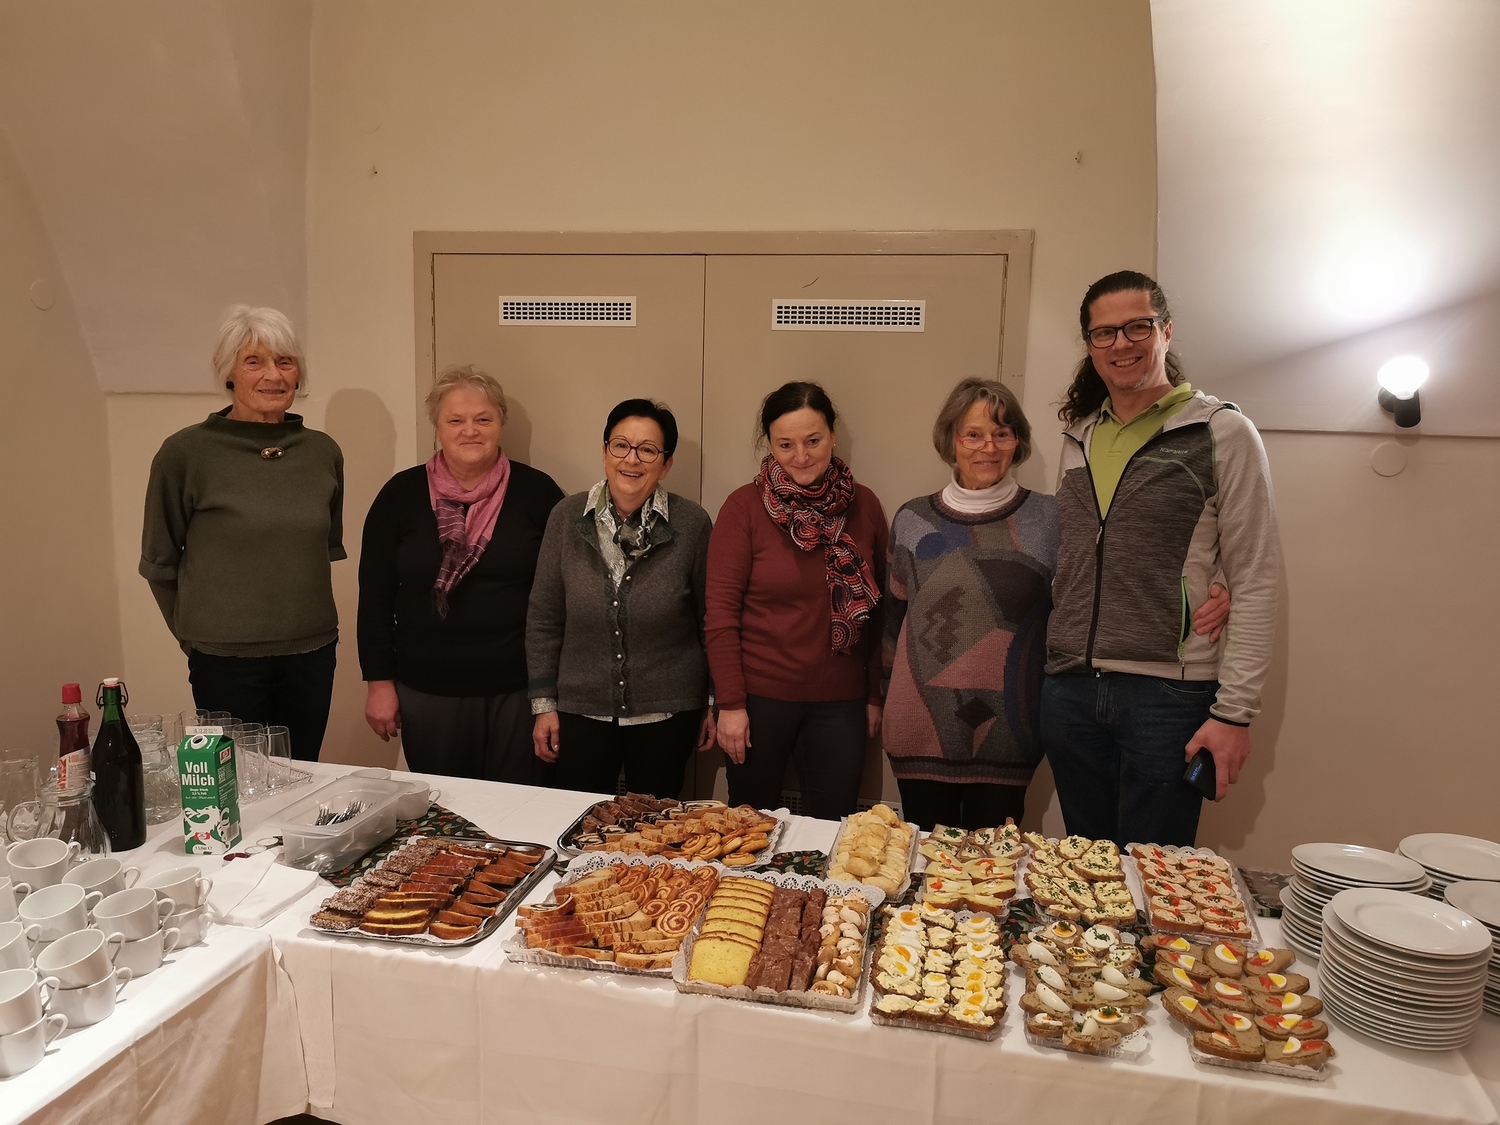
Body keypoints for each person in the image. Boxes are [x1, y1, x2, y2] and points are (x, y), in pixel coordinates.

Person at [1042, 270, 1280, 846]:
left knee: (1156, 877)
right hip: (1070, 689)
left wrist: (1234, 714)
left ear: (1166, 331)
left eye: (1138, 327)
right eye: (1104, 333)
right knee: (1080, 871)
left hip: (1167, 697)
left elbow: (1255, 578)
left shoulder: (1222, 432)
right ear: (1090, 345)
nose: (1121, 344)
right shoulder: (1078, 438)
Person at [140, 305, 343, 761]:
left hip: (312, 653)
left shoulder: (322, 453)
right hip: (224, 660)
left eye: (285, 362)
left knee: (301, 775)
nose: (273, 374)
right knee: (235, 784)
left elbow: (319, 549)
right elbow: (159, 563)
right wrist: (197, 638)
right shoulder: (185, 453)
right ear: (227, 371)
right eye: (254, 361)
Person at [358, 365, 563, 782]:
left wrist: (552, 695)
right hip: (426, 691)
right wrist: (378, 683)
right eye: (456, 420)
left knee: (515, 806)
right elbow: (375, 596)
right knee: (445, 810)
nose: (470, 430)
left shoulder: (538, 492)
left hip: (517, 692)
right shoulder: (400, 495)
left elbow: (563, 596)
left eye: (483, 419)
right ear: (437, 427)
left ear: (500, 423)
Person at [706, 382, 887, 819]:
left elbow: (879, 613)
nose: (801, 456)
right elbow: (721, 616)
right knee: (749, 833)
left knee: (833, 831)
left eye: (813, 441)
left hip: (841, 704)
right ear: (770, 444)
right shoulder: (744, 507)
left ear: (833, 436)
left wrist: (873, 695)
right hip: (758, 703)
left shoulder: (864, 506)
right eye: (785, 444)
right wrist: (730, 705)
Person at [527, 399, 715, 798]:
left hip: (668, 712)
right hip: (581, 710)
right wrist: (543, 705)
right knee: (579, 820)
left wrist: (713, 701)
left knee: (658, 826)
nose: (632, 459)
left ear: (665, 464)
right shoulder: (566, 516)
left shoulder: (692, 523)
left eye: (647, 450)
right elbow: (544, 616)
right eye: (621, 445)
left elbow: (710, 619)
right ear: (604, 452)